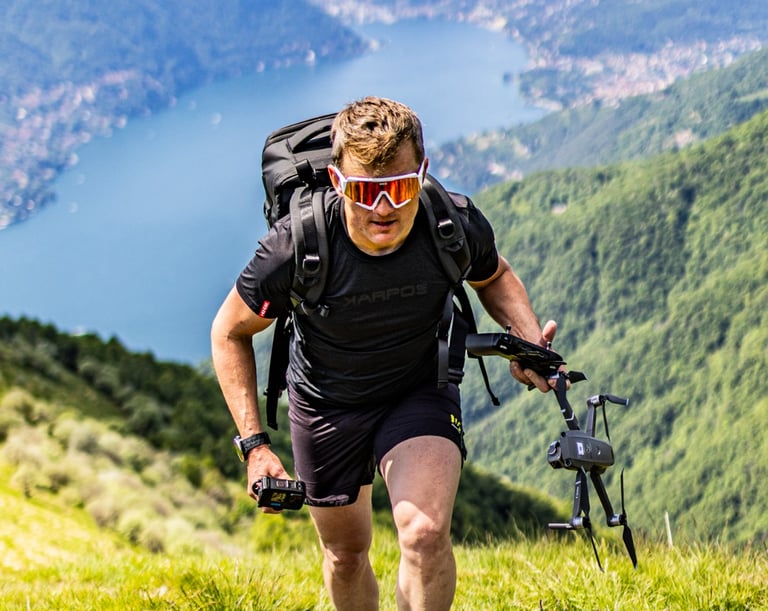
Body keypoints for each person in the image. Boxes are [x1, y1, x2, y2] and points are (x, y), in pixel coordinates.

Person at [211, 96, 560, 611]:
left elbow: (495, 275)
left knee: (423, 534)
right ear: (337, 182)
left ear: (422, 173)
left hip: (417, 388)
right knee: (346, 553)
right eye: (365, 191)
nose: (383, 209)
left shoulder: (450, 223)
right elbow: (229, 333)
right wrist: (255, 446)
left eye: (398, 189)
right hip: (327, 404)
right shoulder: (297, 246)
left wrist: (526, 338)